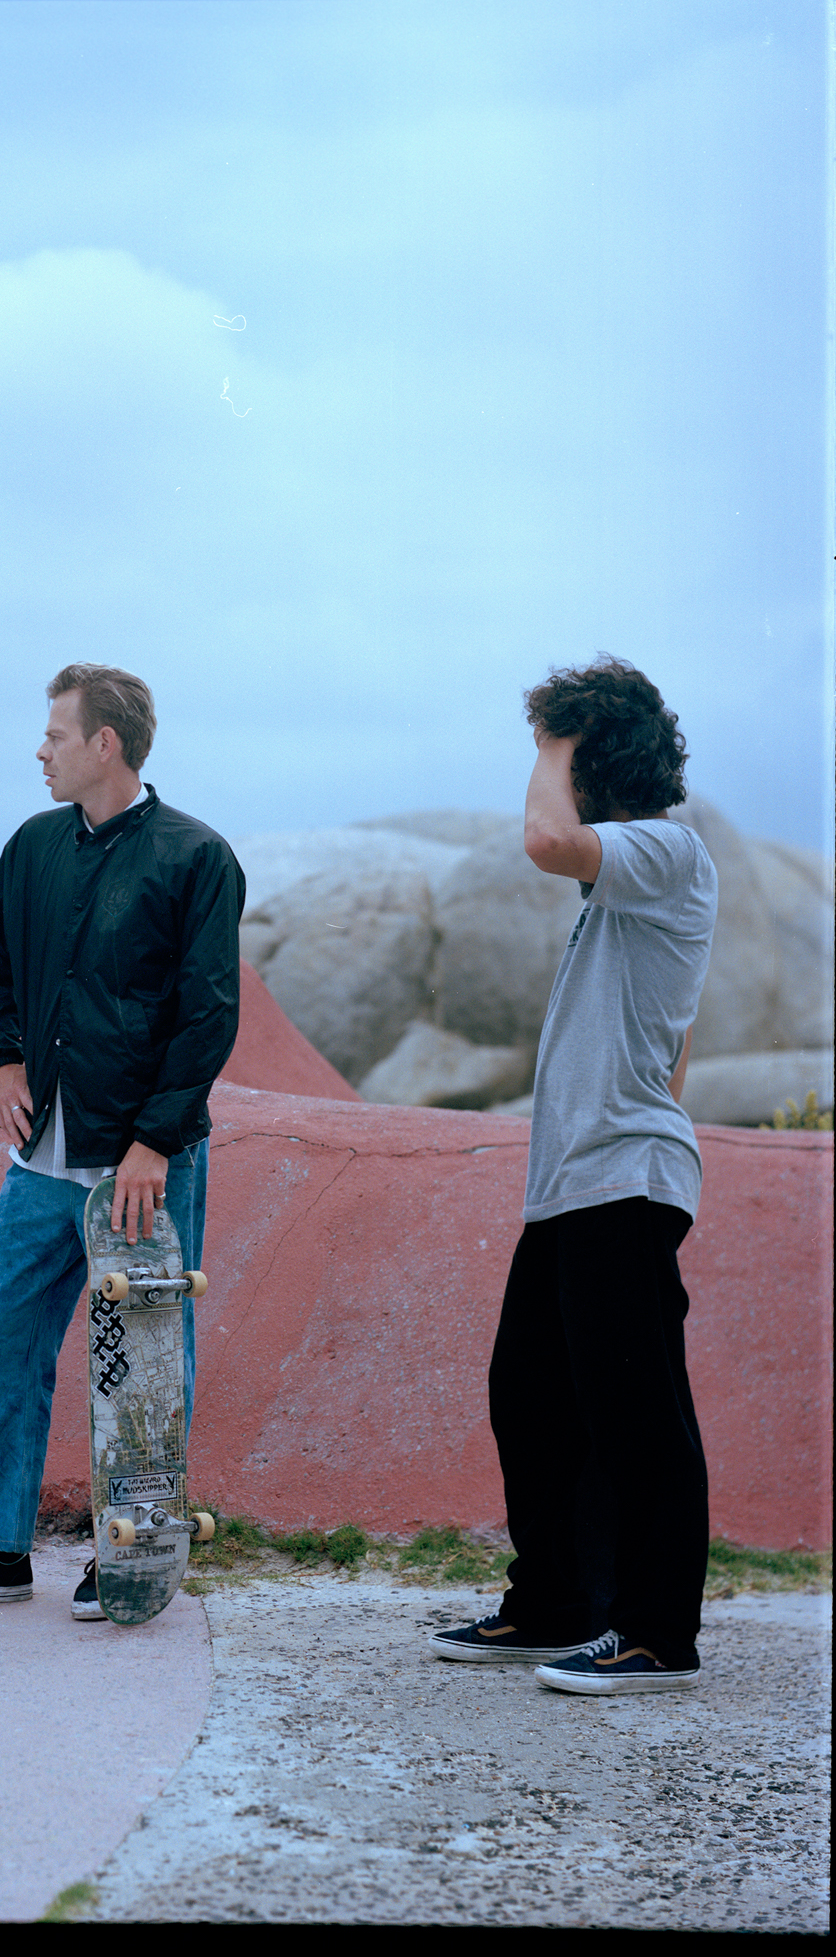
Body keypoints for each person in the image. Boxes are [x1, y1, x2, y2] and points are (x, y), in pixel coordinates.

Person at [0, 663, 244, 1618]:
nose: (39, 750)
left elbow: (207, 1016)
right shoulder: (34, 847)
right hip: (42, 1162)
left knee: (139, 1364)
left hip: (142, 1168)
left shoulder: (195, 859)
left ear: (105, 745)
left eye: (54, 734)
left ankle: (132, 1554)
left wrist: (156, 1143)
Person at [430, 659, 717, 1695]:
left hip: (622, 1181)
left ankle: (655, 1631)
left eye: (563, 758)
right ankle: (554, 1603)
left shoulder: (667, 847)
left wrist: (557, 735)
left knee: (635, 1405)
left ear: (600, 759)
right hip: (575, 1185)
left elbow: (546, 839)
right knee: (533, 1395)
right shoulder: (633, 876)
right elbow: (671, 1034)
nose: (547, 774)